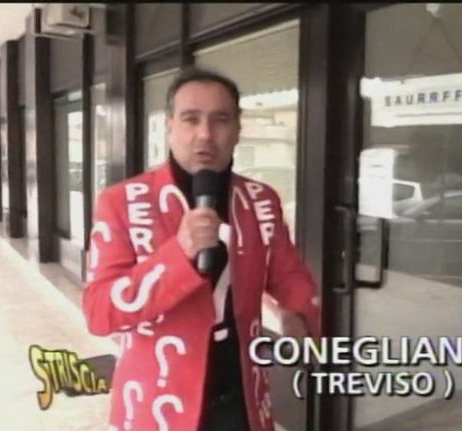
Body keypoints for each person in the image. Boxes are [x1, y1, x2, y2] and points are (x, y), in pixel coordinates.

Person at [82, 67, 320, 431]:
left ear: (237, 129)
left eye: (220, 120)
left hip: (243, 400)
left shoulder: (261, 200)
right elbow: (99, 311)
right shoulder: (122, 202)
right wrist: (179, 254)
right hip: (155, 407)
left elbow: (289, 276)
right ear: (169, 126)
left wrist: (299, 315)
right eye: (190, 119)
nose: (205, 134)